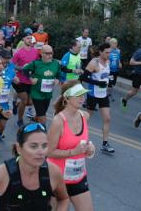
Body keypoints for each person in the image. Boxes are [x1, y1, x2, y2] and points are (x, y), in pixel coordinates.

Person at [0, 123, 70, 211]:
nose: (41, 152)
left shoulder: (53, 172)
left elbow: (64, 199)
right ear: (19, 148)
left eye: (44, 146)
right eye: (33, 146)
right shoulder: (0, 174)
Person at [47, 80, 96, 210]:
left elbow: (82, 143)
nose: (82, 98)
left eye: (83, 94)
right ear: (67, 98)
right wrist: (73, 152)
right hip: (57, 179)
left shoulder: (84, 116)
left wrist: (90, 149)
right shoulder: (58, 121)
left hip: (78, 176)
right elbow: (49, 152)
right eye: (78, 95)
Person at [81, 43, 115, 155]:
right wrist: (97, 82)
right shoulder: (94, 63)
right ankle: (77, 137)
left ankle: (105, 144)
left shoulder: (108, 62)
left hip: (103, 94)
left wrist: (110, 80)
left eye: (109, 52)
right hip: (93, 94)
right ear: (100, 52)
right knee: (87, 118)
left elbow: (106, 75)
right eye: (106, 52)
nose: (108, 54)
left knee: (107, 118)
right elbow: (84, 77)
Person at [22, 45, 61, 125]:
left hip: (48, 94)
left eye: (51, 53)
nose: (50, 55)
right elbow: (25, 70)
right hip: (37, 94)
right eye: (47, 53)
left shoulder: (56, 63)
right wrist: (31, 79)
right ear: (42, 54)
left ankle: (34, 119)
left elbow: (58, 75)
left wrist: (57, 79)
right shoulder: (36, 63)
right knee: (43, 118)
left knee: (40, 114)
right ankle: (43, 134)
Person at [12, 30, 40, 127]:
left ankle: (16, 105)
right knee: (24, 100)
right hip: (20, 81)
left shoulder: (35, 52)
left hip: (30, 81)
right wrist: (22, 68)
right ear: (23, 39)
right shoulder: (18, 52)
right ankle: (20, 120)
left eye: (30, 38)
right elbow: (12, 66)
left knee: (30, 102)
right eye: (27, 38)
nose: (29, 40)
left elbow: (37, 64)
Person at [121, 38, 141, 115]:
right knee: (134, 92)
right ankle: (124, 99)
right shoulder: (139, 52)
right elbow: (131, 62)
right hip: (137, 75)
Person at [0, 50, 15, 140]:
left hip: (5, 102)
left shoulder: (11, 66)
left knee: (3, 126)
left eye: (8, 58)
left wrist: (16, 79)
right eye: (5, 58)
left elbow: (13, 76)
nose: (7, 60)